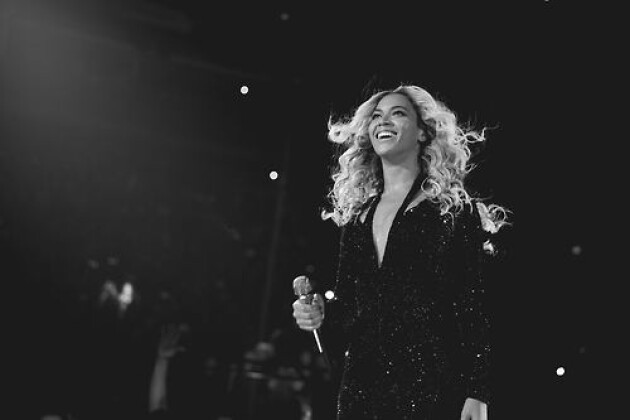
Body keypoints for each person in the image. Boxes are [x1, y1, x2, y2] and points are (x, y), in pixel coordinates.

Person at [292, 84, 509, 419]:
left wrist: (478, 391)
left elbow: (473, 306)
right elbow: (349, 309)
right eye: (377, 116)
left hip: (433, 387)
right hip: (362, 389)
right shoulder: (358, 218)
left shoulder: (450, 212)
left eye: (398, 113)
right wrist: (319, 313)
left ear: (422, 133)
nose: (384, 121)